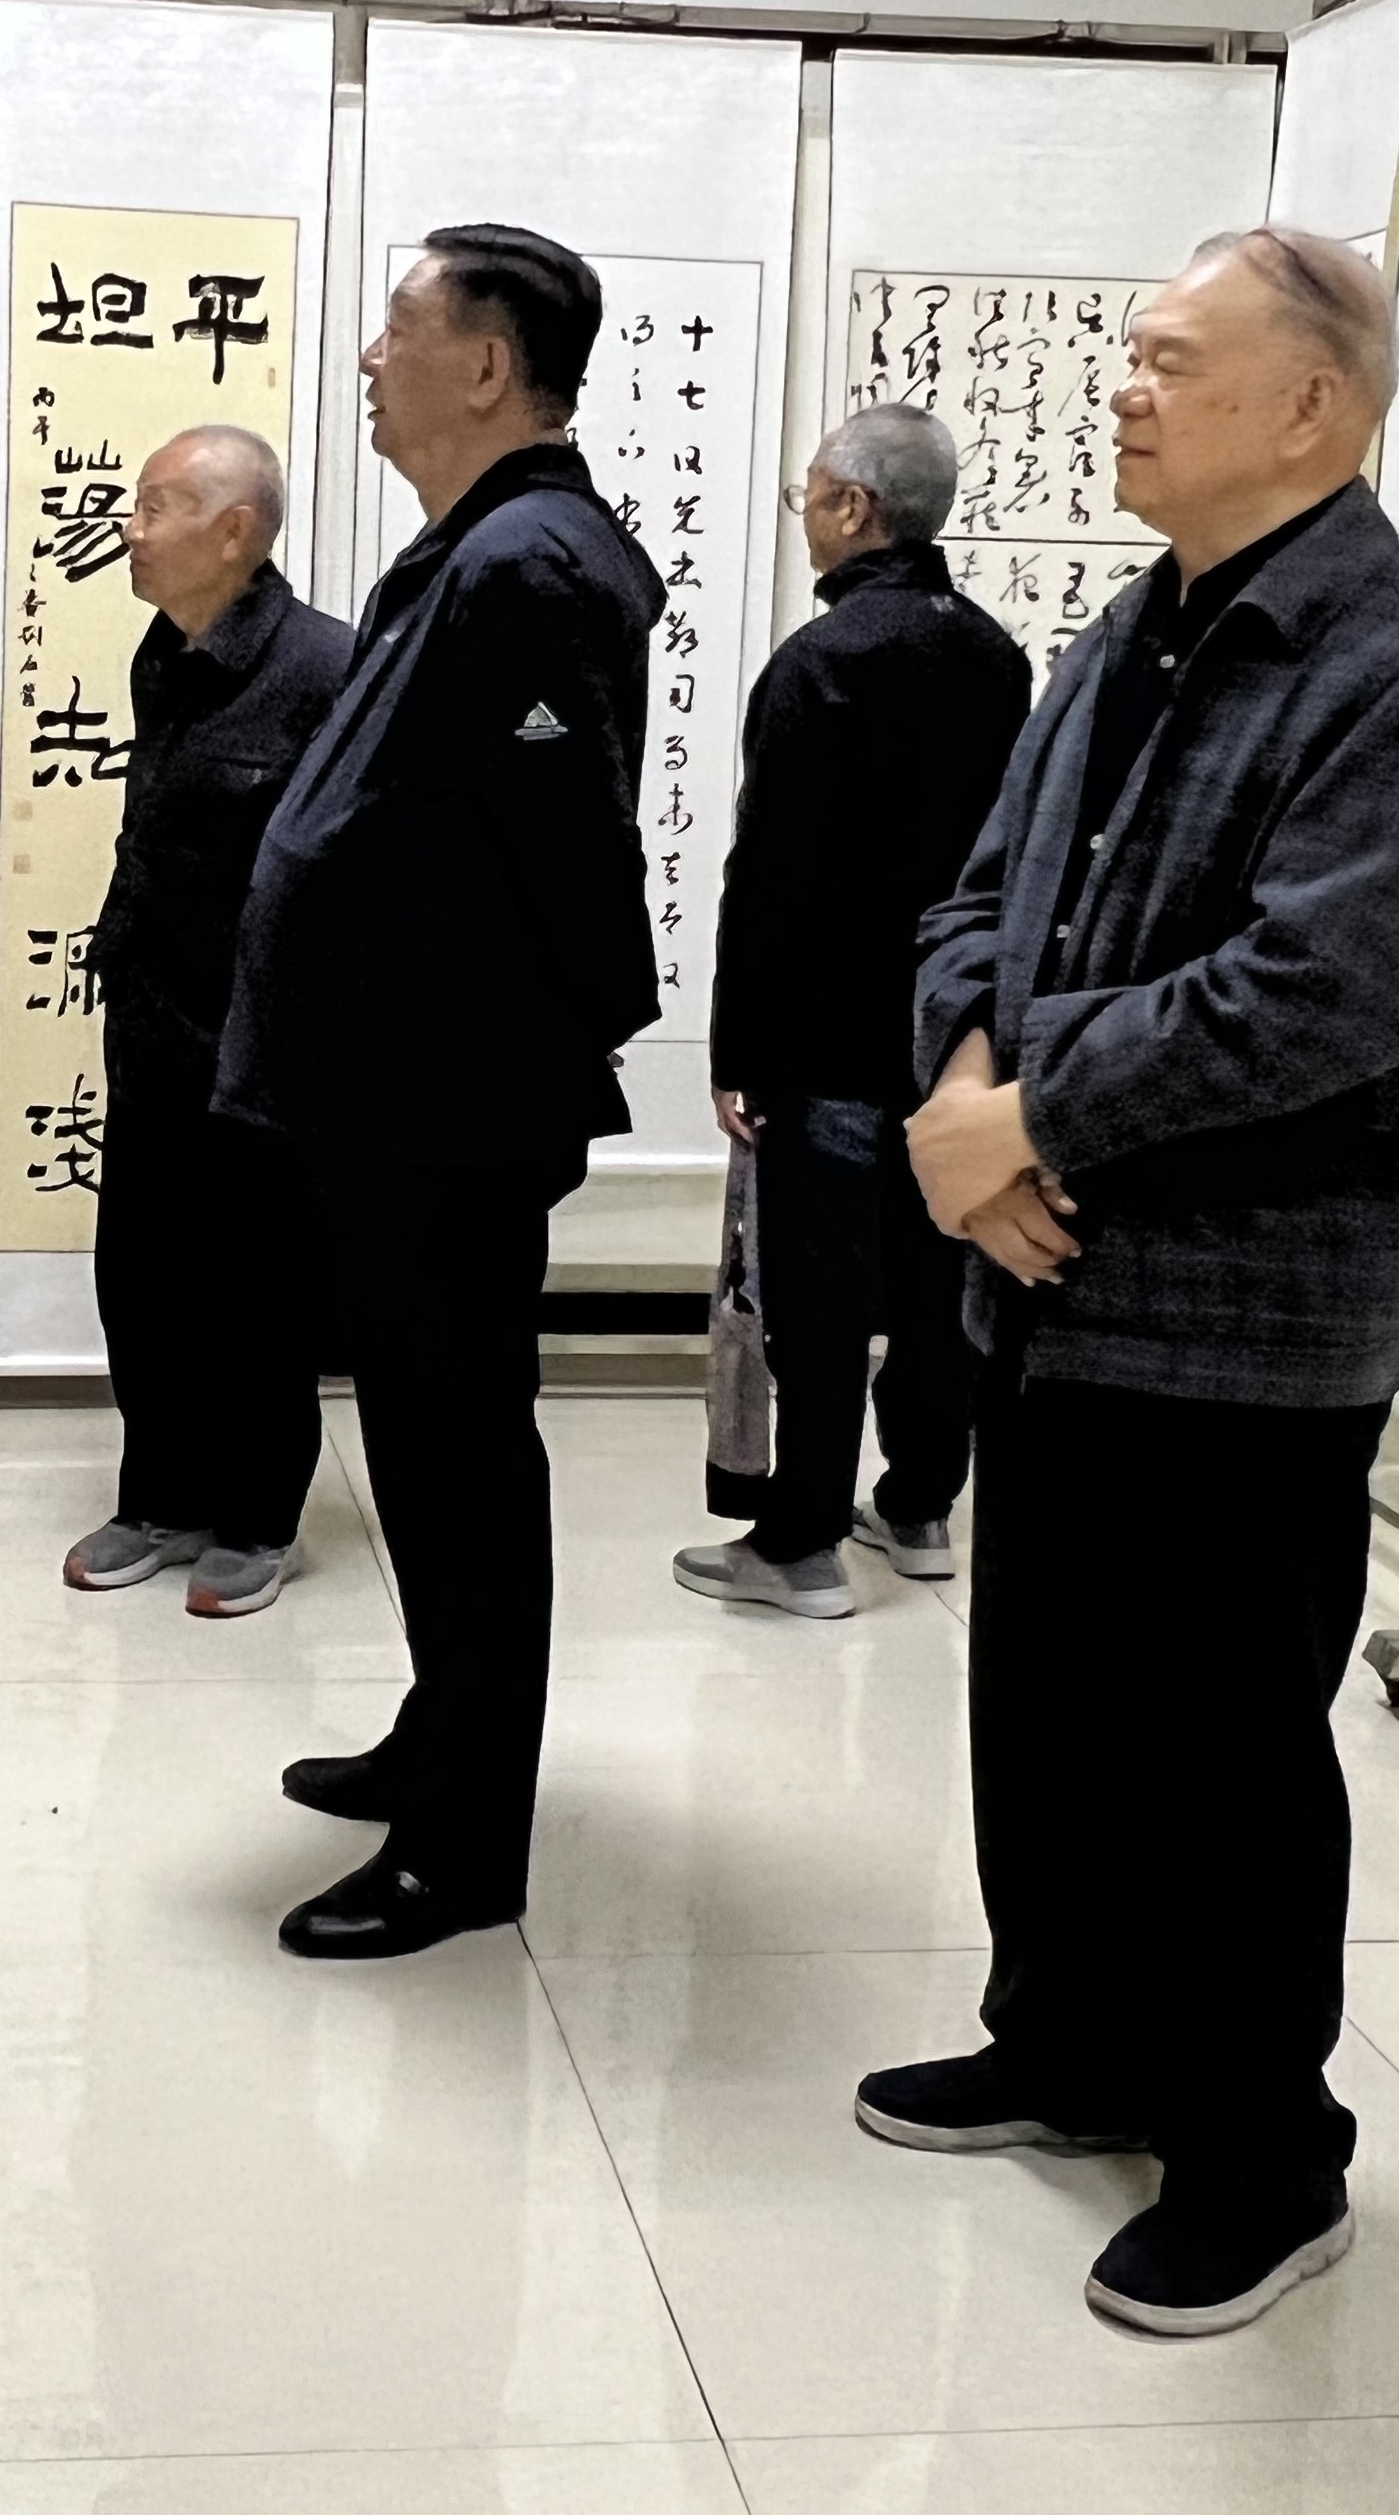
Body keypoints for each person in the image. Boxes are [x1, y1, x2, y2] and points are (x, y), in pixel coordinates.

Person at [854, 227, 1399, 2339]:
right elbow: (978, 902)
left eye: (1165, 358)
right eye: (1128, 359)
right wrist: (965, 1091)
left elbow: (1319, 990)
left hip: (1246, 1319)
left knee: (1219, 1756)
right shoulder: (1121, 633)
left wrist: (1024, 1120)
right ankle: (1067, 2044)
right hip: (1048, 1284)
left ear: (1310, 403)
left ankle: (1260, 2157)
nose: (1122, 391)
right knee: (1045, 1709)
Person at [217, 223, 664, 1962]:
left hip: (449, 1099)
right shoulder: (481, 545)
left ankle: (468, 1837)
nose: (366, 357)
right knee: (422, 1441)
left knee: (459, 1454)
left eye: (395, 328)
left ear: (484, 365)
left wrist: (567, 1036)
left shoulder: (531, 562)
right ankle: (443, 1729)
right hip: (405, 1090)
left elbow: (569, 844)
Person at [681, 401, 1030, 1621]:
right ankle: (922, 1507)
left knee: (819, 1300)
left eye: (811, 496)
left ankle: (803, 1544)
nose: (808, 518)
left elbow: (770, 872)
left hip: (824, 1037)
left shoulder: (819, 663)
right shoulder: (996, 658)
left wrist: (738, 1047)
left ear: (853, 507)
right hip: (952, 1043)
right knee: (940, 1283)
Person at [60, 425, 353, 1617]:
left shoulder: (327, 668)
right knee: (142, 1271)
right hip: (153, 1018)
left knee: (257, 1283)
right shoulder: (163, 652)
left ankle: (258, 1515)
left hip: (265, 1041)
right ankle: (160, 1496)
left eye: (156, 506)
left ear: (233, 531)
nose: (129, 528)